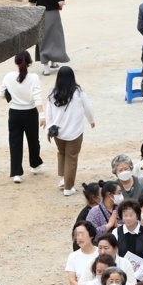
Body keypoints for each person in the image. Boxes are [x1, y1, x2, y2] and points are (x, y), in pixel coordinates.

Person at [45, 67, 96, 197]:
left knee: (61, 153)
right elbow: (88, 108)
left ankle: (63, 178)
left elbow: (48, 114)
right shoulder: (78, 92)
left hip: (58, 133)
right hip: (74, 132)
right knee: (71, 158)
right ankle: (68, 187)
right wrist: (91, 120)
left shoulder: (53, 94)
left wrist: (49, 129)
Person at [0, 50, 45, 184]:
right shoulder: (34, 78)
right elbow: (37, 98)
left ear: (16, 62)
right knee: (33, 140)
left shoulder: (8, 77)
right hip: (30, 113)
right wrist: (42, 115)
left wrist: (11, 94)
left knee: (15, 143)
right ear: (29, 63)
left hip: (14, 112)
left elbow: (0, 94)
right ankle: (35, 164)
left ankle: (16, 173)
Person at [28, 0, 70, 76]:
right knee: (55, 39)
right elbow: (61, 3)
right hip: (54, 16)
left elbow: (32, 3)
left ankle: (46, 67)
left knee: (43, 40)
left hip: (41, 16)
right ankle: (54, 62)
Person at [114, 199, 143, 282]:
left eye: (131, 215)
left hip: (141, 277)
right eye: (125, 215)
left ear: (137, 216)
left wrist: (136, 275)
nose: (128, 218)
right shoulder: (116, 232)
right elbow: (115, 255)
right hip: (121, 276)